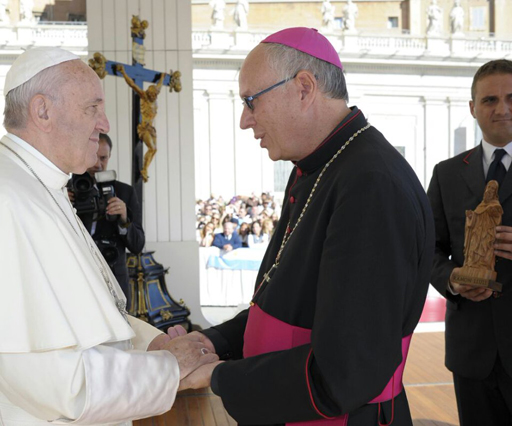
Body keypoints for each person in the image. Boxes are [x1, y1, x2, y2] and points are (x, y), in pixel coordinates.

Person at [0, 47, 217, 425]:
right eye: (92, 107)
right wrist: (169, 368)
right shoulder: (4, 202)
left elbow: (86, 311)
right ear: (43, 111)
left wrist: (150, 342)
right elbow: (54, 380)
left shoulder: (38, 185)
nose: (104, 123)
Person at [180, 27, 434, 425]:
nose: (245, 120)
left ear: (303, 88)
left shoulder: (371, 184)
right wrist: (211, 341)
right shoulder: (317, 167)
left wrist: (220, 376)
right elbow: (289, 301)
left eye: (251, 101)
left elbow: (347, 369)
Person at [428, 59, 512, 426]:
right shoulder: (446, 174)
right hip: (471, 349)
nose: (502, 108)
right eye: (490, 100)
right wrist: (452, 279)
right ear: (473, 108)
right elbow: (427, 250)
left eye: (511, 97)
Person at [76, 133, 145, 301]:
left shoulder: (125, 192)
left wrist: (124, 219)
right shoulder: (67, 189)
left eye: (103, 158)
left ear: (109, 157)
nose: (98, 164)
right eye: (93, 157)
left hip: (113, 276)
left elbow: (137, 245)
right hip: (78, 276)